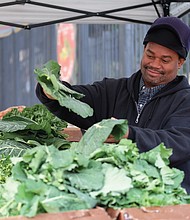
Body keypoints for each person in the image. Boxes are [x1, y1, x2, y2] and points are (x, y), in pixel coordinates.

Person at [36, 16, 190, 193]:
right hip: (115, 197)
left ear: (180, 63)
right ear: (143, 50)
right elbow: (78, 98)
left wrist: (130, 135)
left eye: (165, 60)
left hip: (167, 201)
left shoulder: (185, 101)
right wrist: (53, 91)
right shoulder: (114, 89)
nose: (154, 64)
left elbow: (178, 143)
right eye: (150, 55)